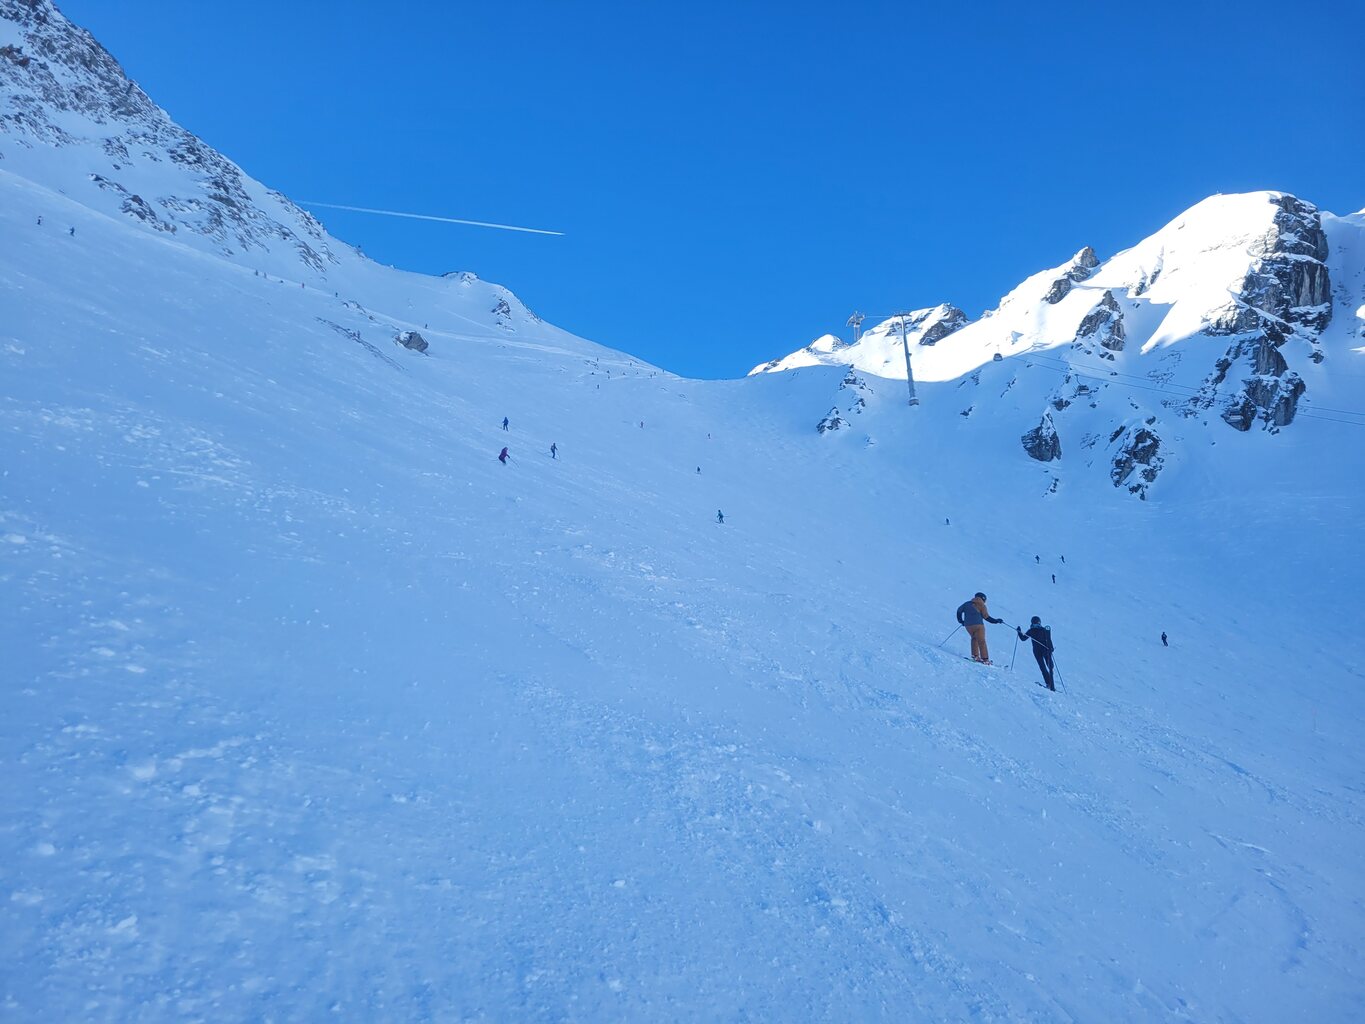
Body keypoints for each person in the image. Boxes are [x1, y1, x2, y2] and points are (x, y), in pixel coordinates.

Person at [956, 592, 1003, 664]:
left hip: (968, 626)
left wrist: (961, 621)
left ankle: (975, 656)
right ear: (983, 599)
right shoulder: (982, 605)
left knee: (974, 639)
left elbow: (959, 611)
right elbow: (986, 617)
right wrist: (997, 621)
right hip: (978, 625)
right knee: (981, 641)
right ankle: (985, 659)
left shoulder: (967, 603)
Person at [1017, 617, 1055, 690]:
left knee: (1049, 665)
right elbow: (1023, 638)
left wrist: (1051, 648)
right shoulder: (1031, 631)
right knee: (1042, 667)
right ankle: (1049, 683)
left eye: (1037, 624)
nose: (1036, 626)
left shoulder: (1043, 630)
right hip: (1037, 652)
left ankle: (1051, 683)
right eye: (1034, 624)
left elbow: (1049, 639)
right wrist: (1019, 632)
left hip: (1045, 650)